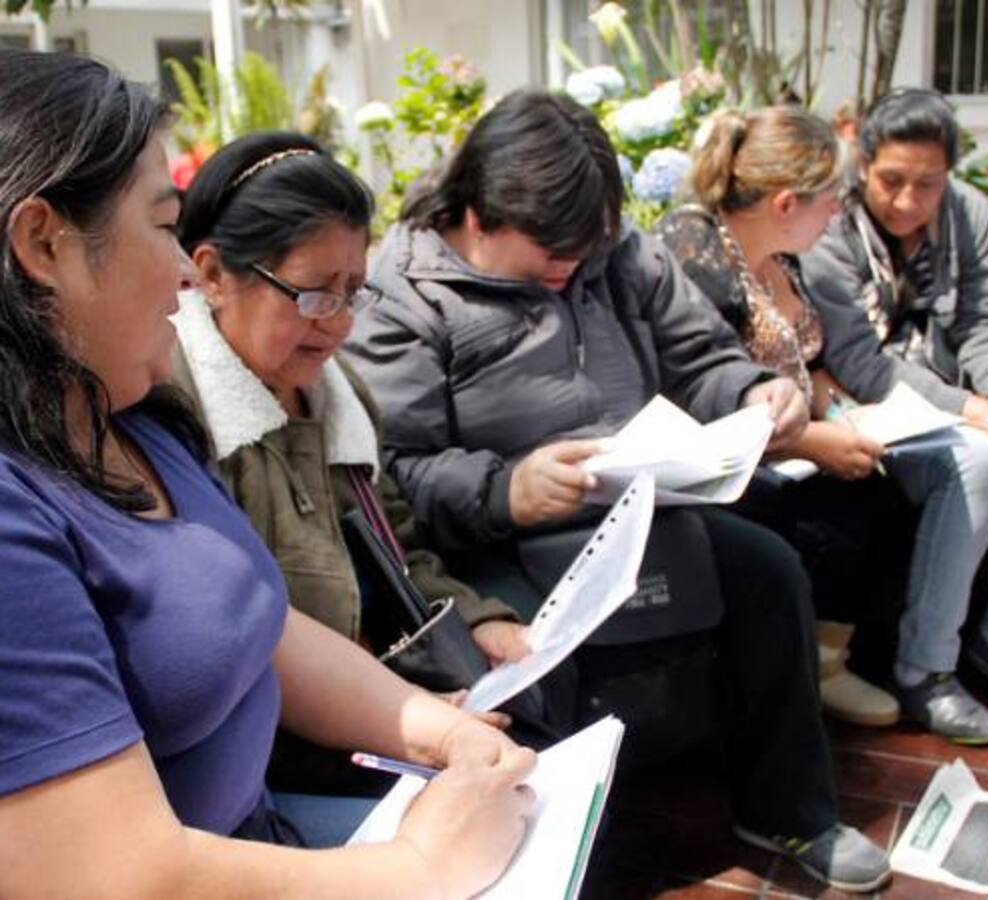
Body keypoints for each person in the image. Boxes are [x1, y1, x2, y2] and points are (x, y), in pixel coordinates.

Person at [0, 49, 534, 899]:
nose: (183, 270)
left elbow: (267, 627)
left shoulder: (131, 415)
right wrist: (425, 866)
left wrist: (441, 731)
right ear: (44, 243)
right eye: (165, 225)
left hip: (261, 832)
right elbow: (114, 874)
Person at [344, 88, 892, 892]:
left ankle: (788, 807)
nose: (568, 272)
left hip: (641, 507)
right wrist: (507, 491)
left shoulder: (618, 254)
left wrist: (749, 394)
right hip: (500, 538)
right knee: (529, 651)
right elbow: (397, 470)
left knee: (768, 570)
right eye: (548, 253)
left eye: (583, 251)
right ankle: (553, 860)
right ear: (478, 216)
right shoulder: (406, 294)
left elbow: (699, 356)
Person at [172, 131, 552, 794]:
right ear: (211, 274)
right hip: (275, 744)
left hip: (375, 692)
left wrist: (472, 615)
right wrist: (408, 719)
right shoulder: (180, 414)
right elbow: (233, 639)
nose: (341, 324)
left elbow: (395, 541)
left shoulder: (338, 394)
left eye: (353, 292)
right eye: (316, 294)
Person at [800, 88, 988, 743]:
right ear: (863, 162)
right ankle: (924, 668)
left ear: (949, 175)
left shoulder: (971, 218)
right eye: (891, 181)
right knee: (978, 461)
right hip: (865, 407)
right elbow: (863, 364)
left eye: (927, 185)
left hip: (953, 395)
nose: (907, 201)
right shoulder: (830, 230)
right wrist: (985, 418)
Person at [654, 106, 908, 729]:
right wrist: (815, 443)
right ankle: (812, 672)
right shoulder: (700, 257)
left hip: (794, 439)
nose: (838, 216)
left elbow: (805, 361)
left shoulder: (782, 259)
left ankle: (833, 658)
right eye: (832, 200)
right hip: (730, 464)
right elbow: (698, 398)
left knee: (891, 483)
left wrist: (844, 416)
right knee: (838, 506)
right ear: (787, 202)